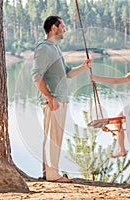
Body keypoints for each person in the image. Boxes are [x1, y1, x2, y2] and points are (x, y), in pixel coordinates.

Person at [31, 16, 92, 183]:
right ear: (53, 28)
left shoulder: (55, 48)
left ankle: (48, 172)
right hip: (54, 101)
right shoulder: (44, 48)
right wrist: (50, 97)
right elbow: (36, 76)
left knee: (53, 137)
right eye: (62, 26)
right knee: (53, 137)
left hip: (60, 99)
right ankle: (52, 175)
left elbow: (68, 73)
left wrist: (84, 67)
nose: (64, 29)